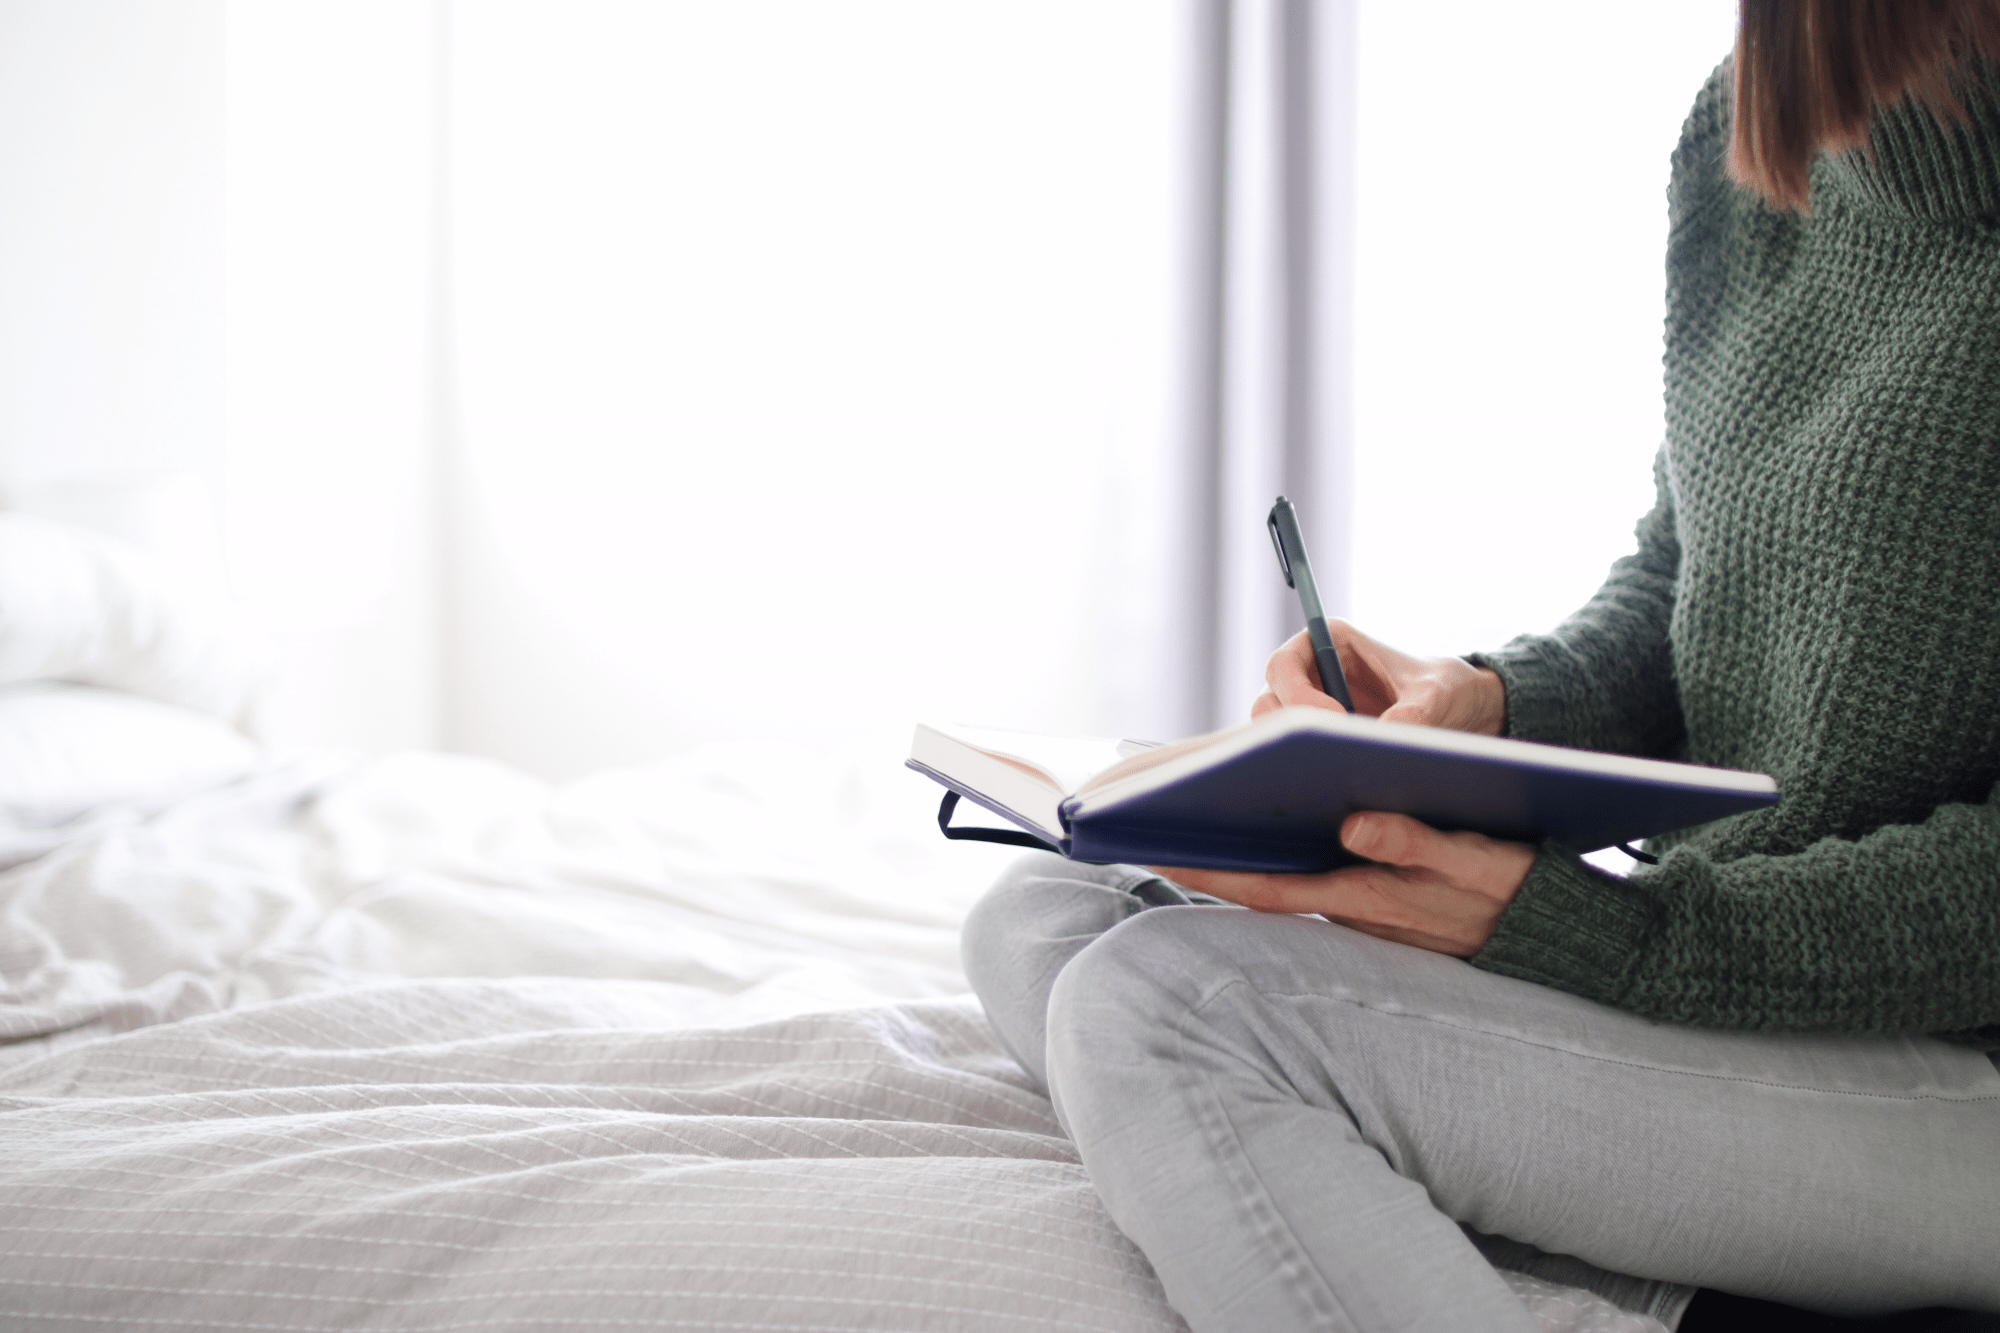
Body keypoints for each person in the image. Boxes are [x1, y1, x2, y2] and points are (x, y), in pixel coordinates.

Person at [960, 3, 2000, 1330]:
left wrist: (1612, 941)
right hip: (1749, 986)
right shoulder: (1758, 134)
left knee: (1171, 1012)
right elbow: (1689, 578)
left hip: (1950, 1068)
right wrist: (1483, 714)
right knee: (1049, 918)